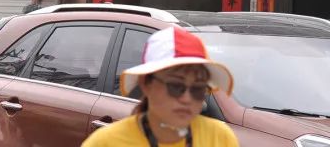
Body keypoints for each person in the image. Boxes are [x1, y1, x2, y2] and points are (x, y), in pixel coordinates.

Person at [83, 26, 238, 147]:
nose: (187, 99)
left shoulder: (219, 138)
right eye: (176, 86)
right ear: (146, 84)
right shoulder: (106, 143)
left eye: (198, 89)